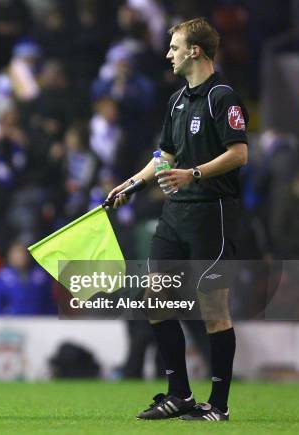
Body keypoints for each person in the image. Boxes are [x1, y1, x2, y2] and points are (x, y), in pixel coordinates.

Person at [107, 18, 248, 422]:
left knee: (213, 309)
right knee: (154, 298)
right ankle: (179, 394)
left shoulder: (224, 97)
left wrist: (195, 173)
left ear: (195, 51)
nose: (168, 53)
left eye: (174, 46)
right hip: (175, 215)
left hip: (212, 213)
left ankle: (218, 406)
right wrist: (131, 183)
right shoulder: (177, 99)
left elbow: (239, 153)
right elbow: (165, 156)